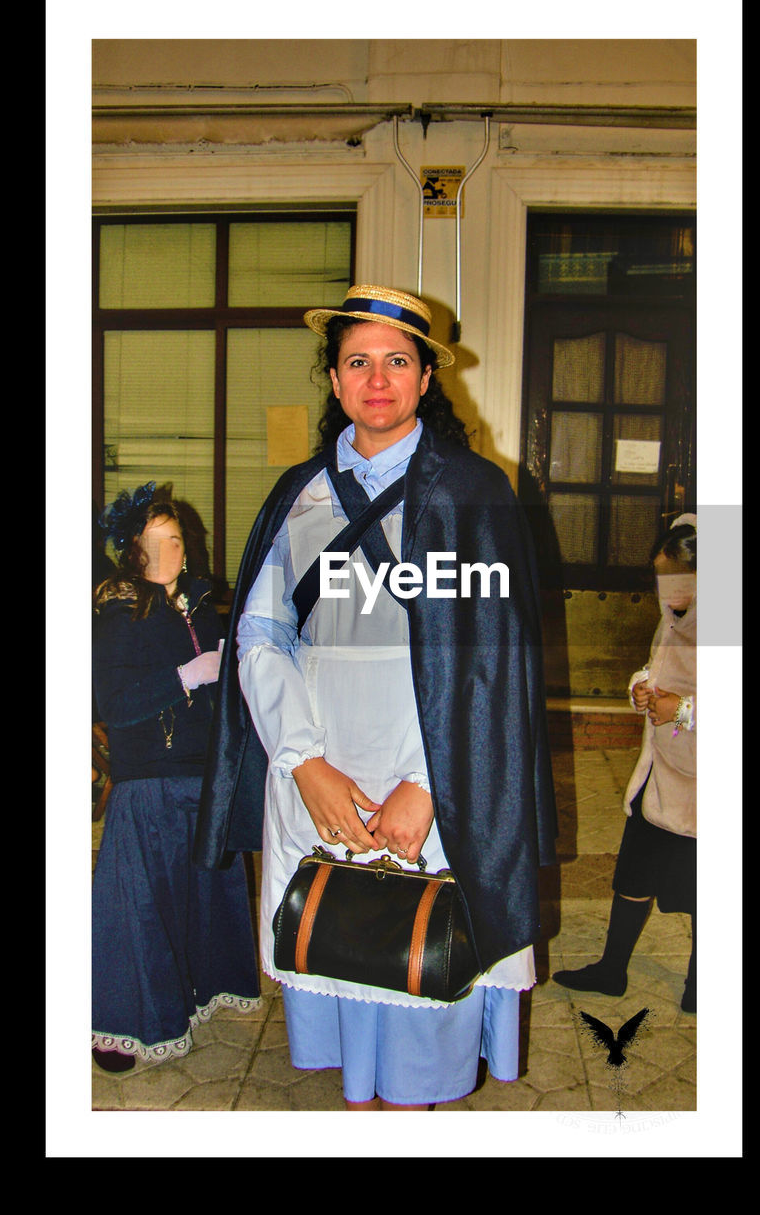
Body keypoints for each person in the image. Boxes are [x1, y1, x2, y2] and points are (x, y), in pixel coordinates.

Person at [193, 285, 557, 1109]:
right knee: (338, 946)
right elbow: (260, 635)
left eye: (399, 361)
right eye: (359, 361)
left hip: (433, 775)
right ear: (334, 378)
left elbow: (495, 661)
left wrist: (431, 786)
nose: (379, 378)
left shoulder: (476, 495)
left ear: (429, 378)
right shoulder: (299, 494)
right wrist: (303, 763)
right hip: (321, 769)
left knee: (428, 968)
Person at [92, 483, 261, 1071]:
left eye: (176, 538)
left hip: (204, 778)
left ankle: (190, 998)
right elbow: (113, 703)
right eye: (154, 539)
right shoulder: (120, 611)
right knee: (137, 909)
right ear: (132, 549)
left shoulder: (202, 608)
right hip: (148, 782)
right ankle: (121, 1029)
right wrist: (184, 676)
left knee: (196, 902)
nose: (168, 549)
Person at [553, 515, 697, 1012]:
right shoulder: (675, 617)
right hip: (664, 770)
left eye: (677, 576)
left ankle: (702, 985)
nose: (667, 589)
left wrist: (680, 711)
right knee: (634, 872)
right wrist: (641, 687)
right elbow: (657, 667)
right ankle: (612, 968)